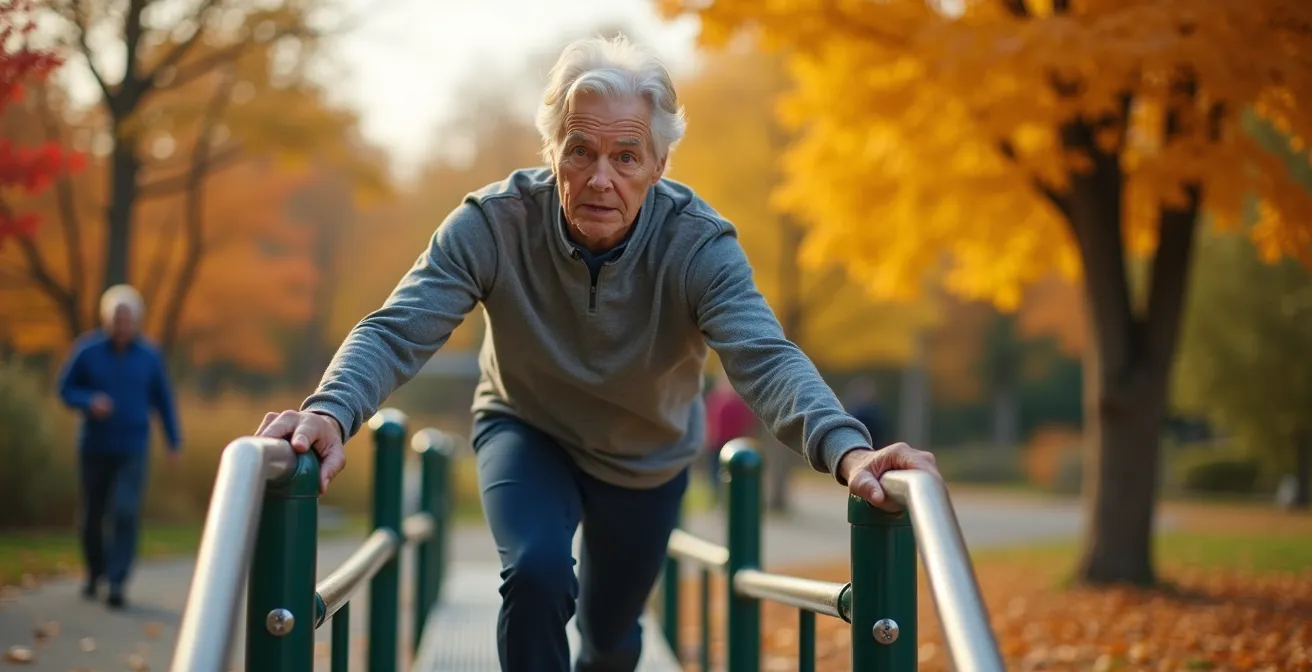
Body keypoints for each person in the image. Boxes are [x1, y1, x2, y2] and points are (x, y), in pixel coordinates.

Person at [255, 34, 940, 671]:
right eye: (580, 150)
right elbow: (399, 326)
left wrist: (849, 452)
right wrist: (331, 411)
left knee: (610, 636)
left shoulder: (697, 245)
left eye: (626, 156)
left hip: (647, 456)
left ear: (659, 165)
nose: (601, 178)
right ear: (552, 150)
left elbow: (764, 357)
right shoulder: (493, 224)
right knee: (536, 573)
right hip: (527, 427)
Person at [57, 284, 181, 609]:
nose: (121, 324)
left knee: (125, 511)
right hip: (94, 446)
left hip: (133, 447)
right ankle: (95, 571)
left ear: (136, 321)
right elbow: (65, 388)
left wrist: (173, 440)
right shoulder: (87, 350)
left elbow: (163, 400)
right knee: (92, 515)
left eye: (127, 319)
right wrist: (88, 400)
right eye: (116, 318)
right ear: (106, 319)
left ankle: (116, 581)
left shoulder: (150, 356)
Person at [702, 371, 756, 500]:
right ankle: (718, 495)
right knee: (715, 471)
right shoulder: (716, 399)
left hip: (731, 443)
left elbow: (745, 423)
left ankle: (728, 495)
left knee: (728, 471)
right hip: (717, 441)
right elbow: (711, 419)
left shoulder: (737, 402)